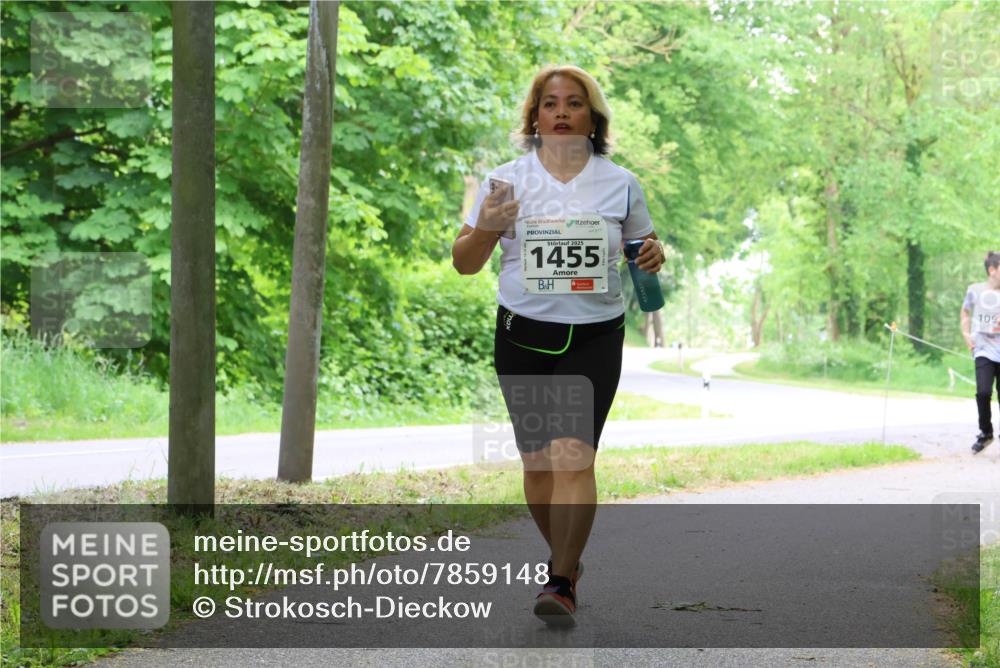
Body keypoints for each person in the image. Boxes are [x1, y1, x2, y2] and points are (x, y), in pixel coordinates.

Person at [451, 65, 664, 624]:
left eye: (574, 103)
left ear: (594, 118)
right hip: (523, 331)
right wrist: (487, 228)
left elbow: (644, 251)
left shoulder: (620, 183)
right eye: (550, 103)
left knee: (575, 458)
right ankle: (564, 557)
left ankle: (561, 579)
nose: (562, 112)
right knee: (538, 465)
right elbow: (466, 263)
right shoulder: (506, 180)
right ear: (535, 116)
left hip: (594, 336)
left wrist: (651, 255)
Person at [960, 251, 1000, 453]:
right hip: (983, 349)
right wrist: (966, 334)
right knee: (983, 392)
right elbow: (965, 311)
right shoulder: (975, 290)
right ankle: (986, 433)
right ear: (992, 270)